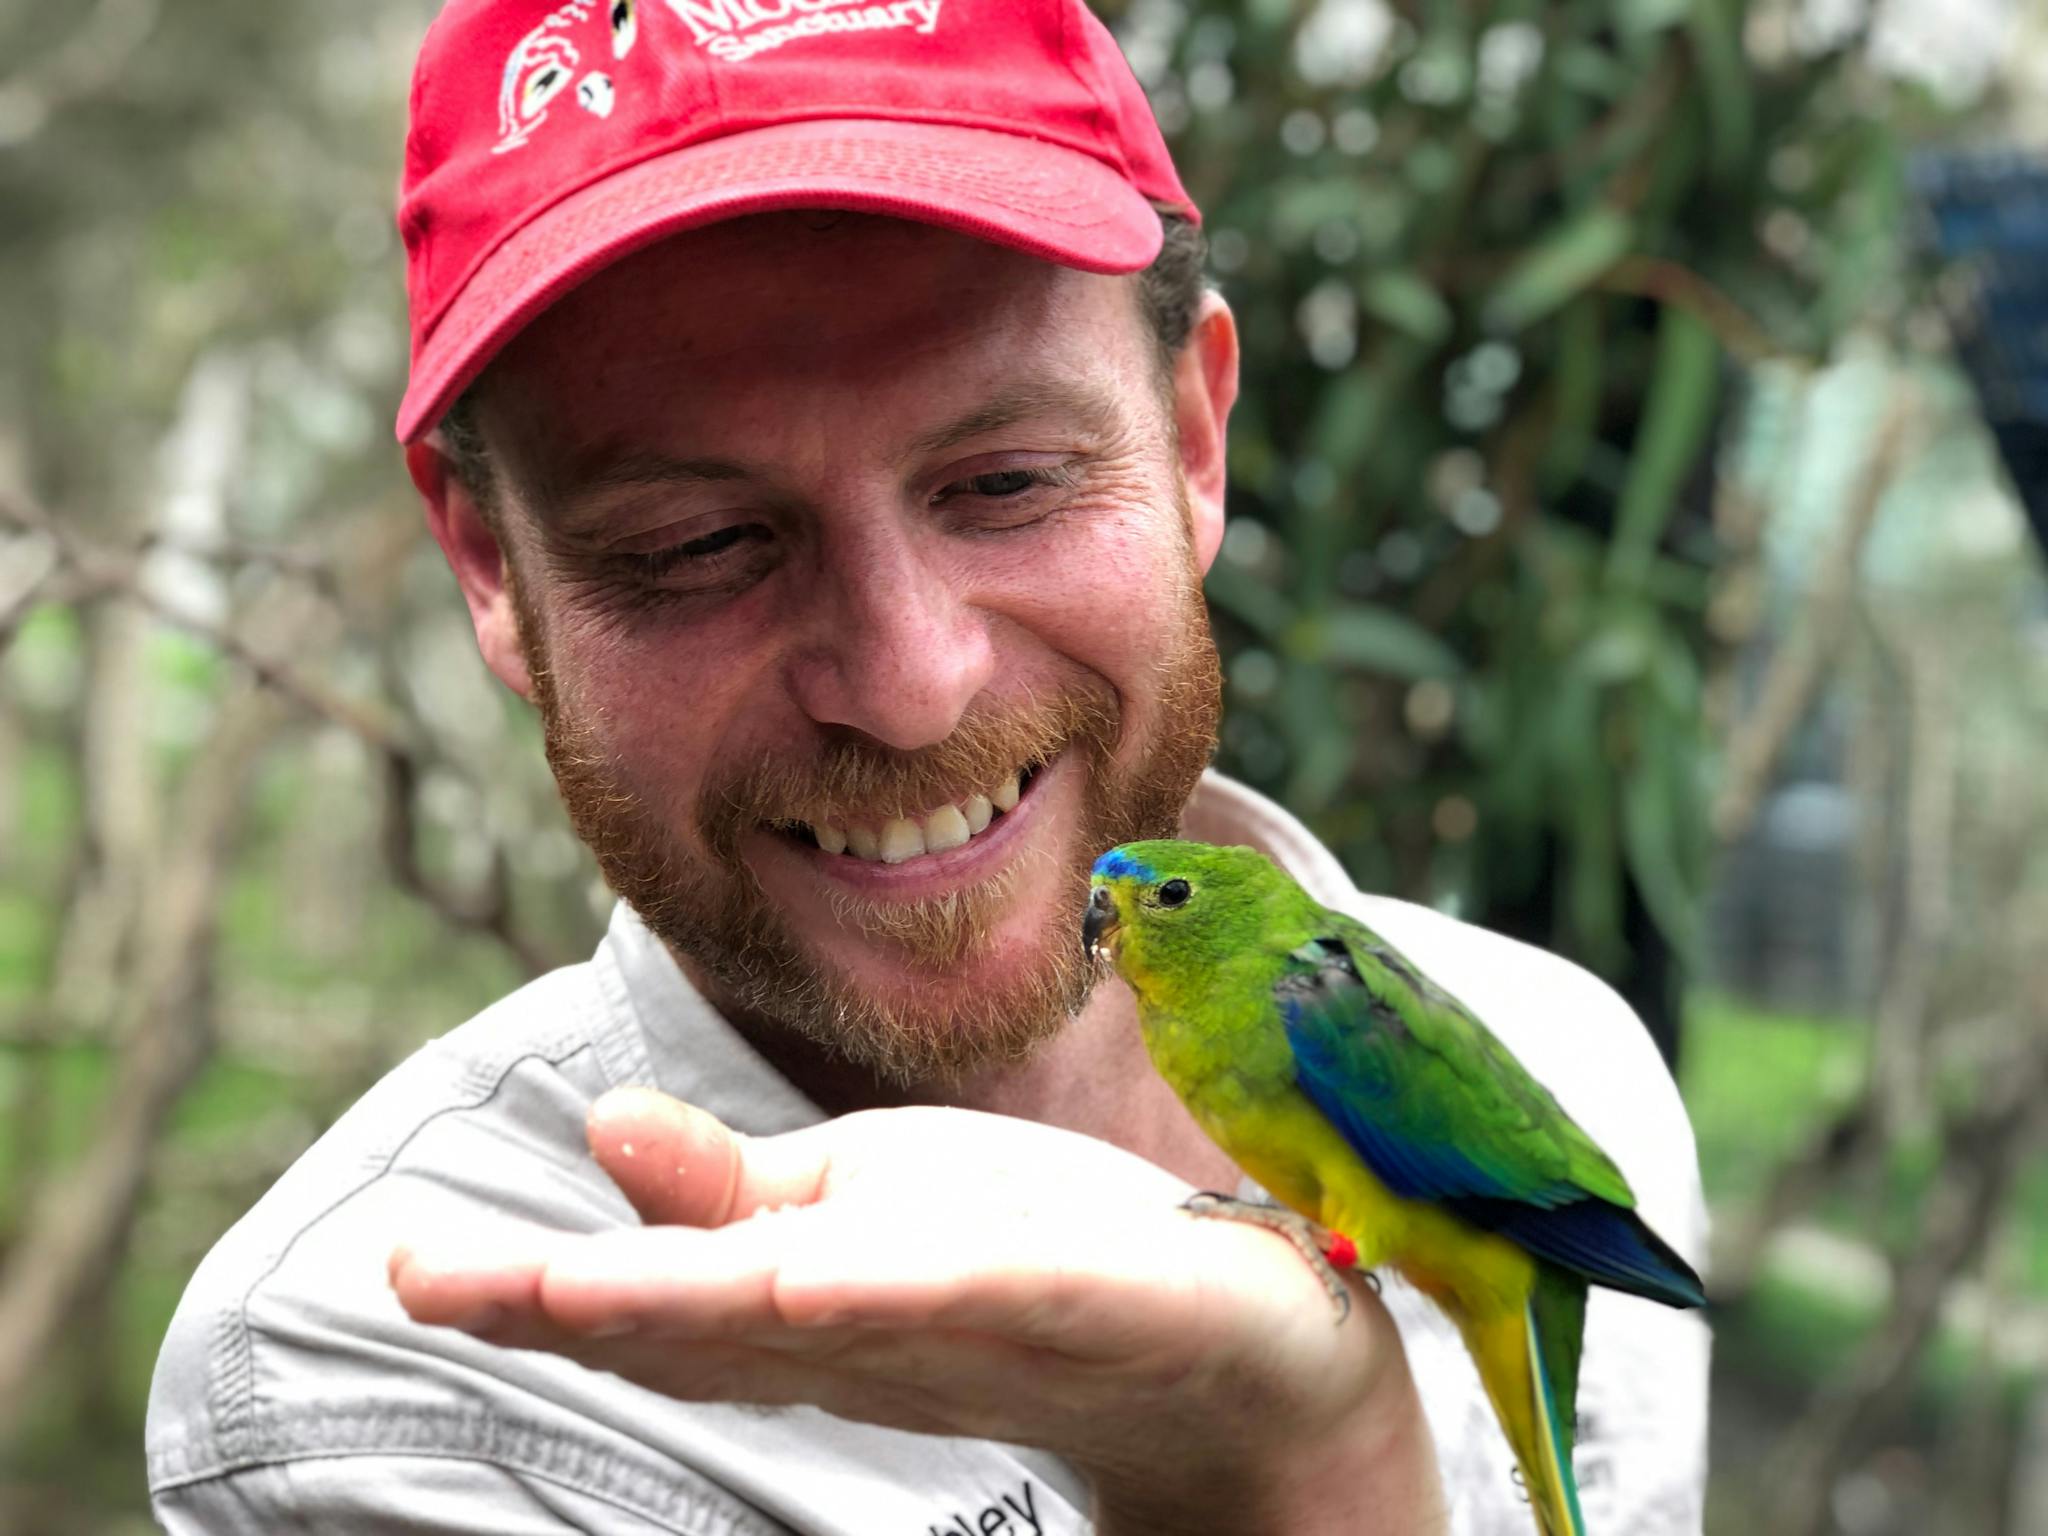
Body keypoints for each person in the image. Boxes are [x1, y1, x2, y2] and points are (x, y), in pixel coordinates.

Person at [146, 1, 1710, 1531]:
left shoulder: (1558, 1061)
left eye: (1010, 481)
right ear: (492, 566)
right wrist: (1273, 1476)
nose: (905, 686)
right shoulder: (398, 1387)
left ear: (1192, 440)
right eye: (699, 547)